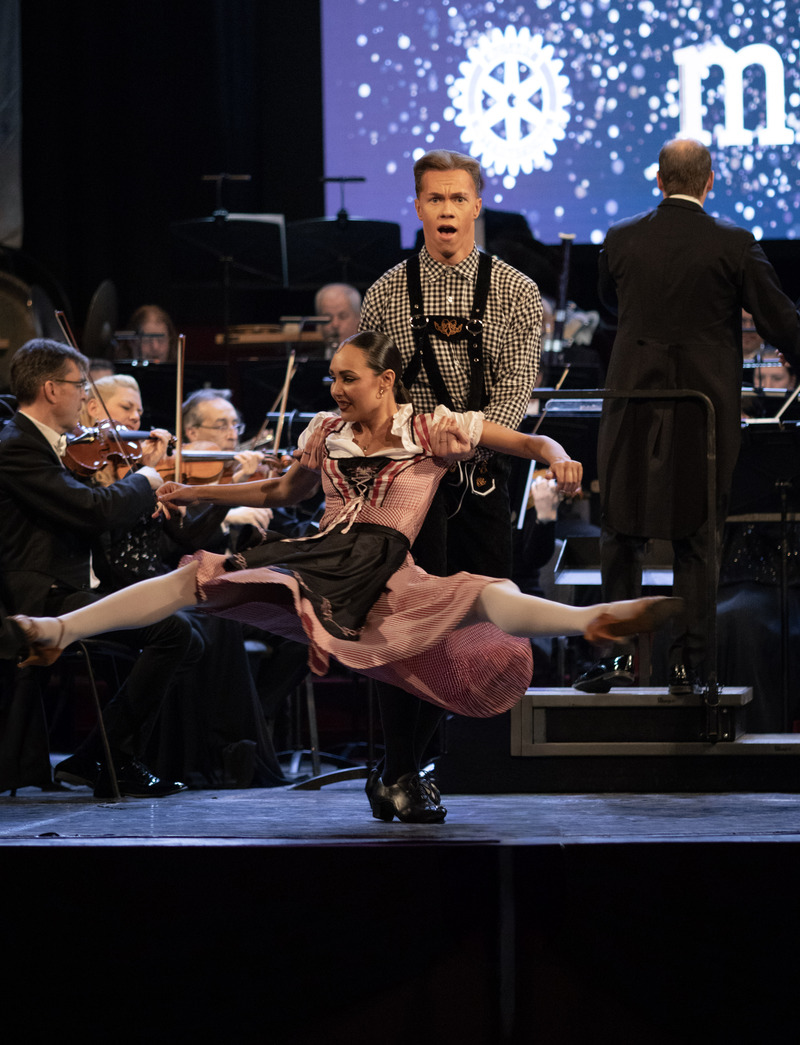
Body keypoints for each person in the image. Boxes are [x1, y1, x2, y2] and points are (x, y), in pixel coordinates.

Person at [9, 332, 681, 822]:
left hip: (387, 570)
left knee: (482, 593)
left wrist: (560, 456)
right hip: (324, 554)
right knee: (198, 579)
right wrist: (196, 490)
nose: (335, 388)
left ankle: (587, 621)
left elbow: (529, 440)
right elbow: (280, 492)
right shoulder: (325, 431)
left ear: (385, 381)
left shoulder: (432, 428)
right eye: (332, 376)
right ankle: (56, 629)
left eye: (348, 377)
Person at [574, 138, 800, 696]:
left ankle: (618, 659)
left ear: (658, 180)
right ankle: (688, 668)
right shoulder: (734, 242)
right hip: (705, 410)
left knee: (620, 530)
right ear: (709, 181)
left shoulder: (621, 238)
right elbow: (779, 322)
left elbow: (609, 304)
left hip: (632, 402)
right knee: (698, 537)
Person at [359, 149, 543, 816]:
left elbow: (515, 391)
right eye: (434, 198)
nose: (445, 210)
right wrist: (416, 437)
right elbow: (373, 390)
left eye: (457, 198)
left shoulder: (517, 292)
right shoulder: (385, 292)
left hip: (484, 479)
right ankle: (400, 768)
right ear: (418, 207)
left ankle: (413, 764)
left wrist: (468, 438)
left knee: (470, 625)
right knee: (404, 624)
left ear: (476, 206)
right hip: (408, 481)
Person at [0, 338, 202, 797]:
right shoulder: (17, 446)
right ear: (51, 389)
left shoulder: (45, 444)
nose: (85, 397)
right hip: (41, 594)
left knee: (183, 632)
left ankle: (101, 756)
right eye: (79, 386)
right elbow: (92, 511)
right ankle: (107, 758)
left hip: (70, 586)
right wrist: (146, 478)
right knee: (173, 632)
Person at [78, 374, 287, 788]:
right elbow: (107, 522)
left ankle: (216, 754)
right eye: (126, 408)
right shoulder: (89, 472)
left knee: (217, 614)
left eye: (139, 409)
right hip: (115, 586)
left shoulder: (139, 467)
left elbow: (188, 537)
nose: (137, 418)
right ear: (94, 410)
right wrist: (143, 476)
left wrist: (225, 489)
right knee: (203, 622)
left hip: (152, 580)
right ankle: (180, 756)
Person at [314, 283, 362, 357]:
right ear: (319, 326)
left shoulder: (372, 360)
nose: (335, 324)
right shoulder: (309, 360)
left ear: (358, 319)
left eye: (342, 317)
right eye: (328, 318)